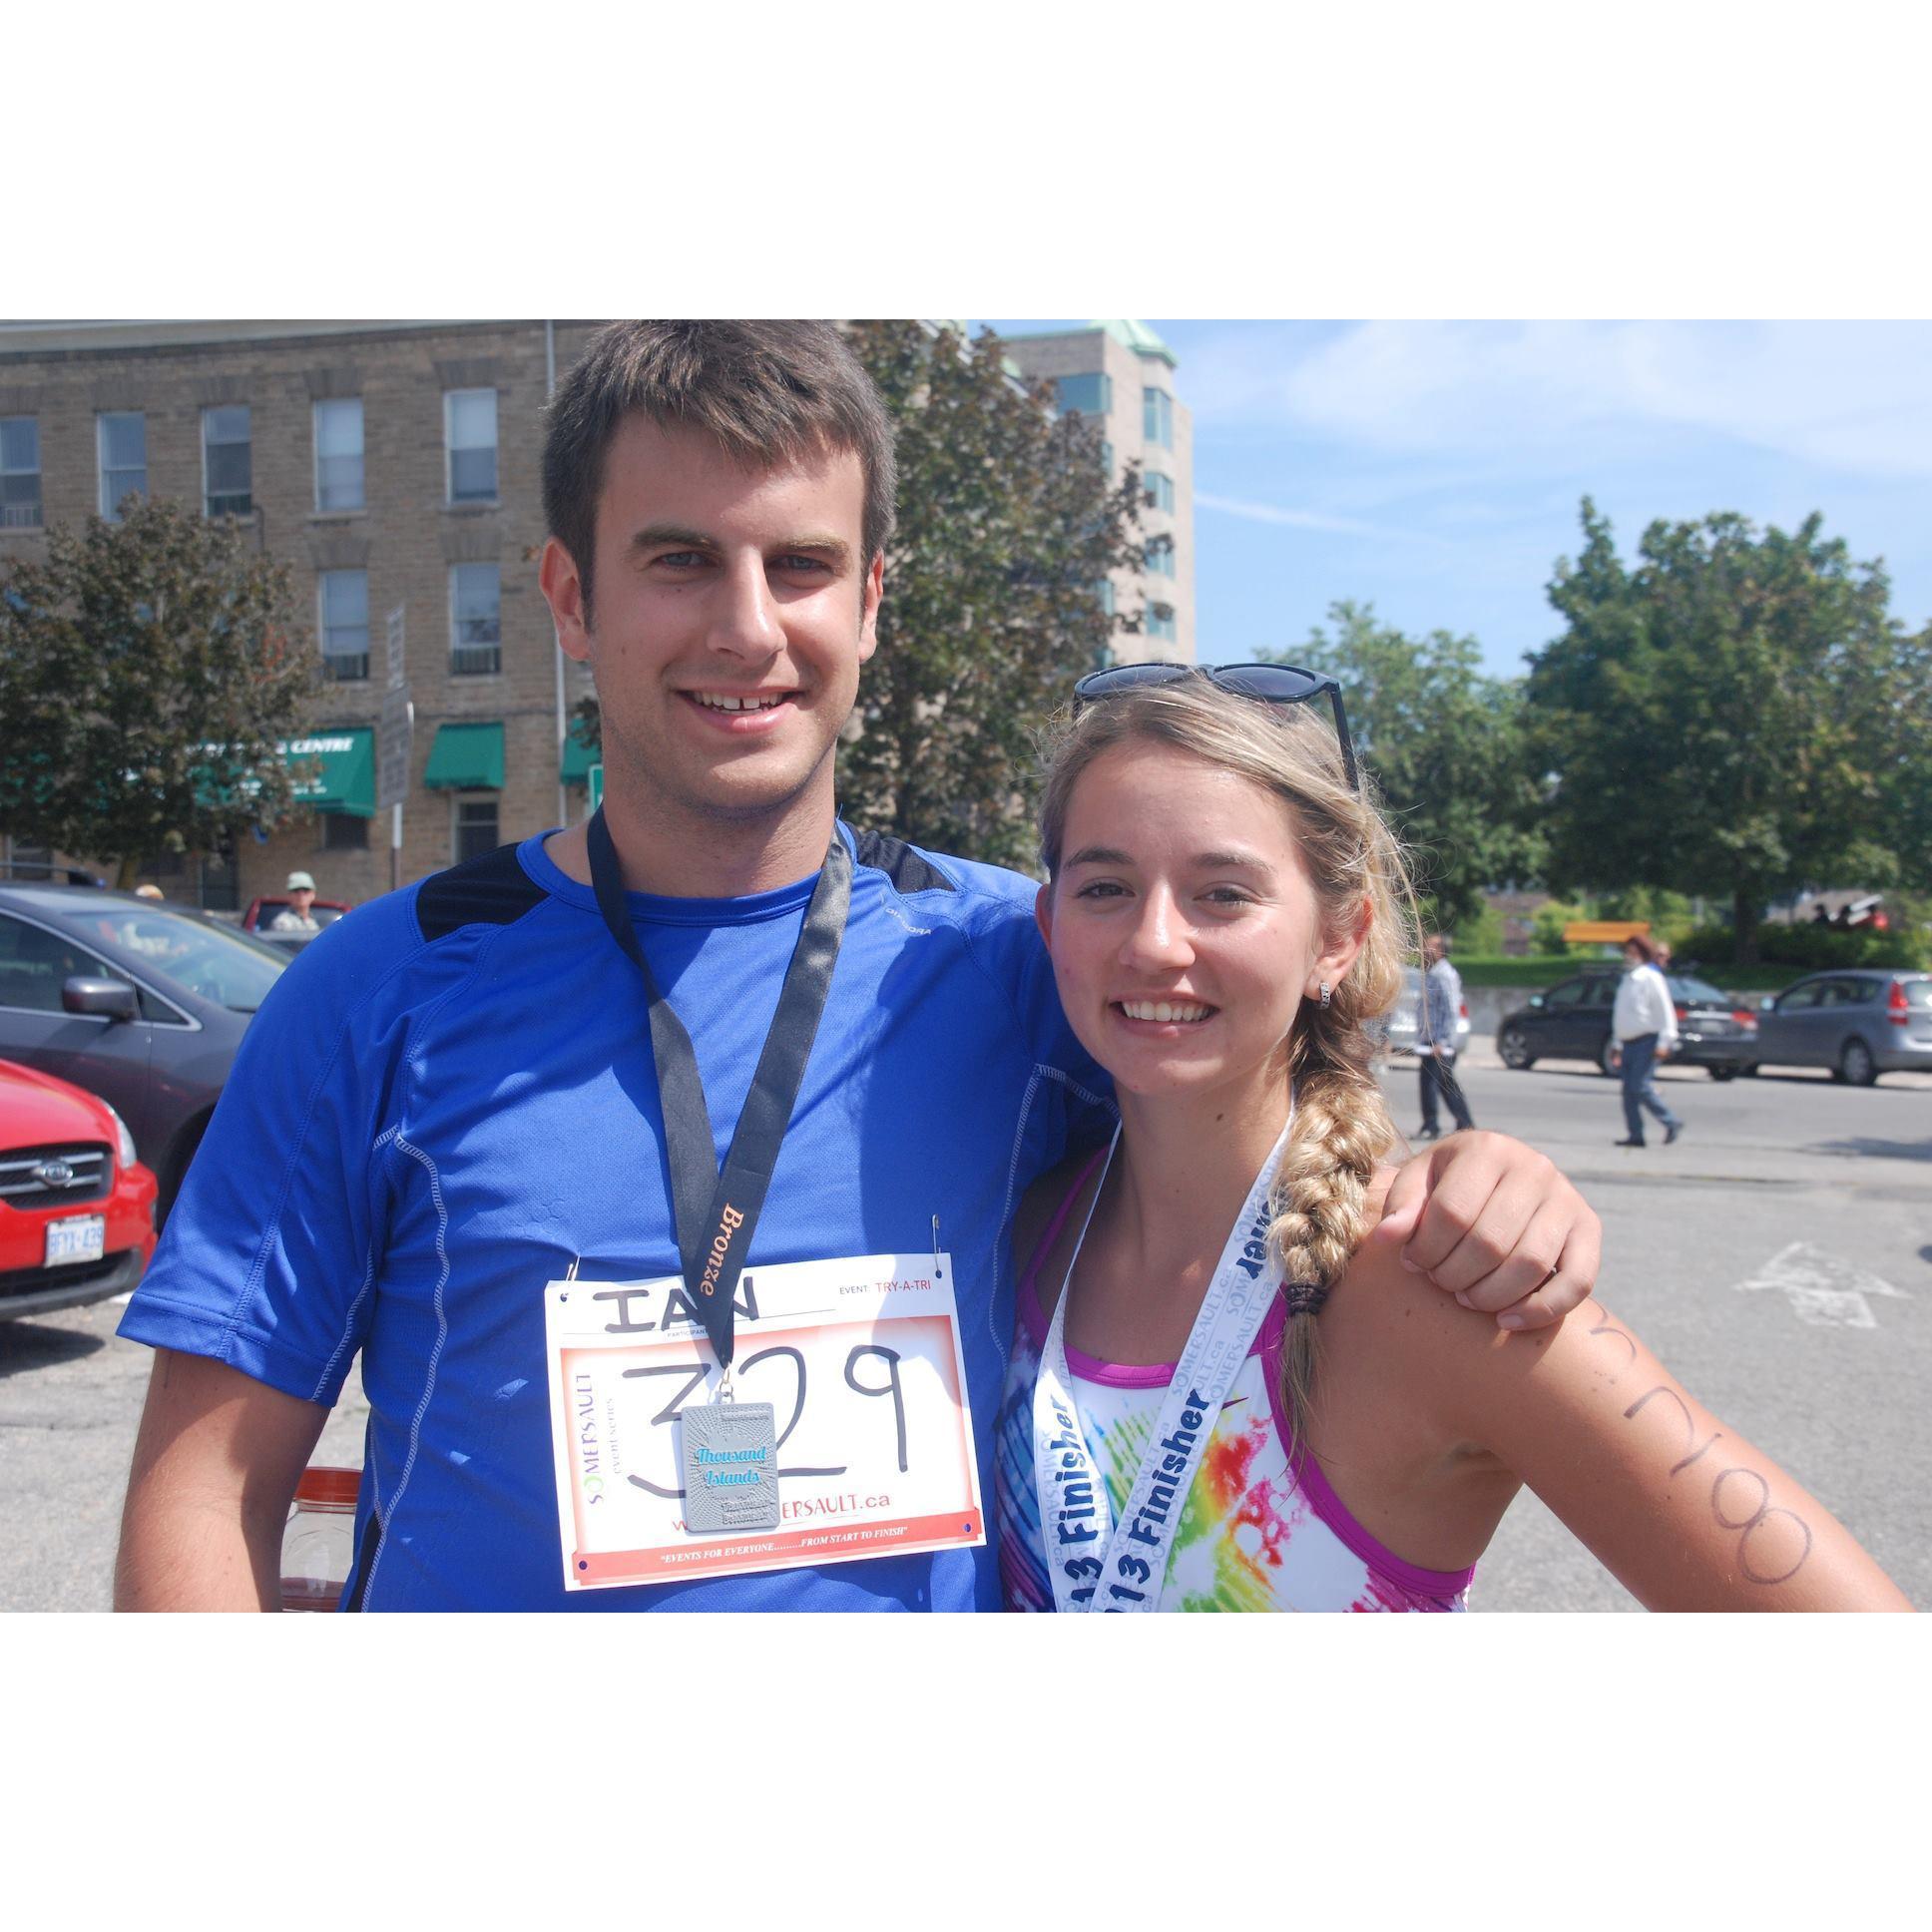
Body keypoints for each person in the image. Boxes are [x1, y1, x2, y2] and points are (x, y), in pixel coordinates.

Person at [113, 322, 1604, 1613]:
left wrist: (1476, 1176)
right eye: (681, 559)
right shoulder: (379, 990)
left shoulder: (1024, 958)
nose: (748, 625)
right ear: (568, 595)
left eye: (802, 565)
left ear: (873, 599)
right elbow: (205, 1493)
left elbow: (1264, 1098)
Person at [997, 674, 1907, 1611]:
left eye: (1222, 894)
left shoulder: (1442, 1273)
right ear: (1050, 923)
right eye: (1105, 887)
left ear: (1338, 939)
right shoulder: (1026, 1232)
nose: (1154, 943)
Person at [1611, 932, 1682, 1148]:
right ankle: (1635, 1135)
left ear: (1642, 953)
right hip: (1628, 1042)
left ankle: (1671, 1121)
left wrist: (1664, 1042)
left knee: (1639, 1085)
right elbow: (1621, 1015)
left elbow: (1665, 1012)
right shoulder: (1627, 980)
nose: (1628, 956)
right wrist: (1617, 1043)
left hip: (1647, 1040)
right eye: (1627, 951)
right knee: (1628, 1091)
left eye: (1633, 952)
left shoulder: (1651, 978)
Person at [1415, 931, 1474, 1140]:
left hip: (1438, 1043)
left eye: (1429, 946)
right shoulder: (1433, 972)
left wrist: (1443, 1041)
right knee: (1444, 1084)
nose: (1424, 949)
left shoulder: (1444, 974)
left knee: (1433, 1084)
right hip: (1430, 1041)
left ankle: (1434, 1125)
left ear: (1440, 950)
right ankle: (1463, 1123)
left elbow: (1451, 1009)